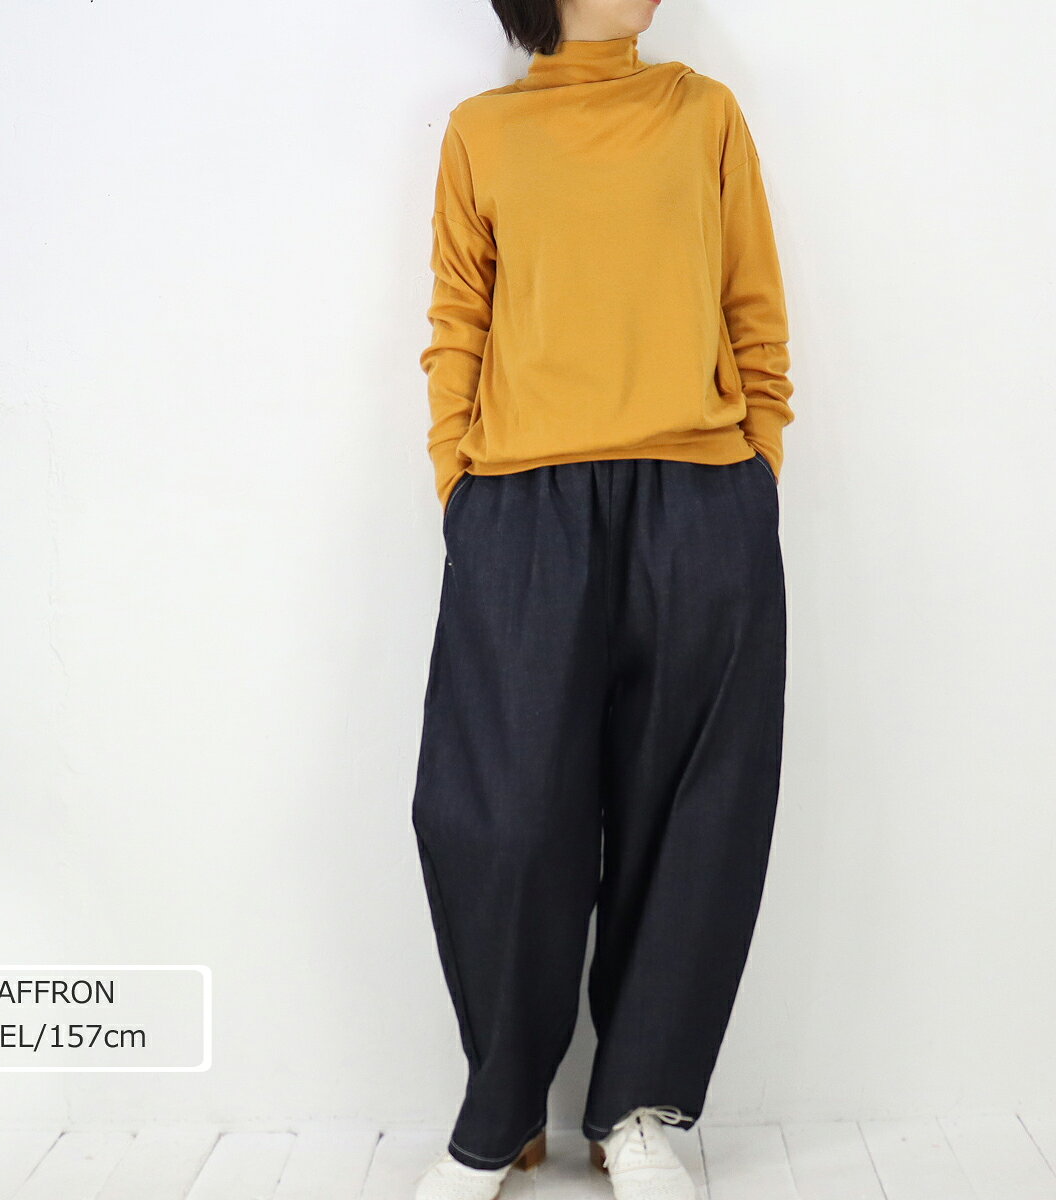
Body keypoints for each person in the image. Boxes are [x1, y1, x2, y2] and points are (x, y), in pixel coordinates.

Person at [410, 0, 794, 1194]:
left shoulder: (704, 116)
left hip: (702, 494)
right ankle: (502, 1107)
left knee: (694, 810)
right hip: (522, 504)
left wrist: (757, 471)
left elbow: (753, 305)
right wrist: (458, 484)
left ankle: (638, 1107)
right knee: (496, 816)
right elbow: (458, 320)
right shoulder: (481, 134)